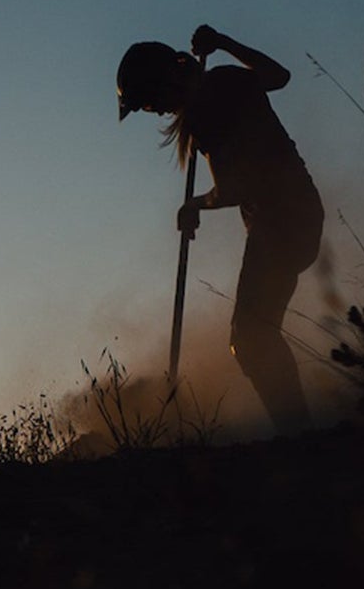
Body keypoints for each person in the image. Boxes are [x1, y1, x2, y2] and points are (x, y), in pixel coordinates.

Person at [117, 25, 325, 431]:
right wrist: (225, 43)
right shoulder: (225, 82)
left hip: (278, 223)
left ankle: (299, 433)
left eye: (149, 102)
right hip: (298, 214)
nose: (155, 112)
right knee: (255, 334)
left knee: (249, 337)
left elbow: (234, 188)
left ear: (165, 81)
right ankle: (299, 429)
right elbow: (279, 77)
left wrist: (196, 203)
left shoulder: (207, 107)